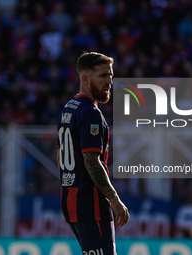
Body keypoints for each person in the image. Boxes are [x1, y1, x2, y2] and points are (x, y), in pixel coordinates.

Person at [57, 52, 129, 255]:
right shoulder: (90, 112)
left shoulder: (68, 108)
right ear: (85, 79)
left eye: (111, 76)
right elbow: (91, 161)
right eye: (103, 76)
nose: (110, 82)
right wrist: (114, 199)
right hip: (91, 203)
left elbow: (60, 156)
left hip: (72, 201)